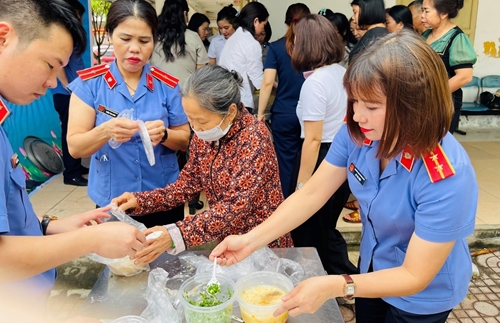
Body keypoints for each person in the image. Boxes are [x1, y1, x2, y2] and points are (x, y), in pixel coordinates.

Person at [211, 30, 478, 322]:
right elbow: (313, 193)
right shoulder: (359, 134)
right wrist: (250, 241)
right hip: (373, 269)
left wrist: (337, 285)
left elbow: (415, 274)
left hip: (422, 295)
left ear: (414, 105)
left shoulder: (446, 175)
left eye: (372, 107)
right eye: (354, 102)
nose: (358, 116)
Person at [0, 0, 145, 307]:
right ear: (3, 37)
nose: (52, 82)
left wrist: (48, 227)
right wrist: (92, 240)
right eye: (50, 64)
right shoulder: (92, 85)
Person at [112, 65, 293, 264]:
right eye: (190, 120)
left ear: (231, 112)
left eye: (202, 121)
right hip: (227, 242)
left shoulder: (254, 138)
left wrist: (177, 235)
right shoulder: (203, 137)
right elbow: (185, 186)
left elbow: (235, 205)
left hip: (262, 242)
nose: (196, 128)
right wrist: (140, 201)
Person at [67, 0, 190, 228]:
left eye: (144, 41)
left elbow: (184, 138)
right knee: (119, 263)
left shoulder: (167, 86)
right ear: (110, 35)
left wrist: (164, 135)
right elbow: (75, 147)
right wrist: (105, 130)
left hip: (162, 198)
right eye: (125, 39)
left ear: (154, 41)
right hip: (113, 201)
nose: (135, 48)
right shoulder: (90, 85)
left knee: (168, 261)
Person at [289, 14, 357, 276]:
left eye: (295, 41)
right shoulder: (342, 72)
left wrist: (301, 187)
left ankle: (327, 282)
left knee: (308, 227)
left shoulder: (315, 83)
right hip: (341, 153)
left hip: (320, 157)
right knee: (326, 225)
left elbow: (313, 138)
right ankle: (344, 280)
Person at [257, 3, 310, 199]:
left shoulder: (276, 47)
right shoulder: (314, 47)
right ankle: (305, 203)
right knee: (308, 160)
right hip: (310, 115)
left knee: (286, 163)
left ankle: (287, 205)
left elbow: (268, 81)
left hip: (284, 115)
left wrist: (260, 113)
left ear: (287, 22)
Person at [421, 0, 476, 134]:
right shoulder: (426, 35)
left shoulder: (457, 38)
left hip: (442, 105)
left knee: (436, 148)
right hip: (422, 102)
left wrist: (434, 95)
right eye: (422, 10)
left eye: (426, 11)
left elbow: (465, 77)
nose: (422, 15)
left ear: (444, 13)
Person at [51, 0, 88, 187]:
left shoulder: (72, 36)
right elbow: (59, 67)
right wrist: (70, 88)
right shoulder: (63, 36)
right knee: (69, 133)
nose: (80, 20)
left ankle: (76, 167)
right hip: (66, 95)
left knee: (72, 130)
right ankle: (71, 174)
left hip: (70, 94)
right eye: (78, 15)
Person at [219, 2, 269, 114]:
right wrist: (277, 88)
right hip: (242, 103)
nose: (262, 29)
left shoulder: (233, 38)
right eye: (264, 25)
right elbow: (259, 81)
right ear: (256, 21)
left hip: (225, 100)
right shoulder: (251, 43)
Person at [149, 0, 209, 88]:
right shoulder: (193, 37)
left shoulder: (153, 37)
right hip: (185, 94)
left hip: (158, 92)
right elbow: (200, 71)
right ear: (185, 14)